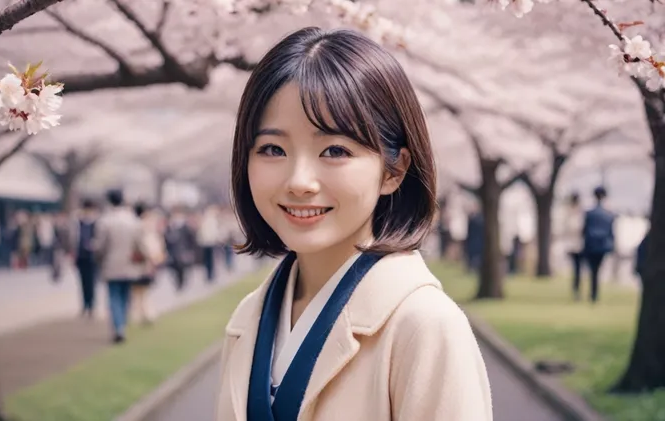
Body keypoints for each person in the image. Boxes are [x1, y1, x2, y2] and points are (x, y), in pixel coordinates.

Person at [215, 27, 492, 421]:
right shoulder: (249, 317)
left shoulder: (424, 325)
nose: (299, 181)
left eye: (335, 150)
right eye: (272, 149)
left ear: (393, 171)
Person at [94, 189, 142, 343]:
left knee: (114, 296)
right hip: (129, 263)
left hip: (111, 264)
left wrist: (98, 258)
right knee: (125, 296)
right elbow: (139, 244)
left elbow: (100, 246)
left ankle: (118, 327)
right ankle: (122, 324)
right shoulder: (133, 220)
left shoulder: (105, 221)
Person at [130, 202, 166, 325]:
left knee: (140, 291)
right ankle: (145, 313)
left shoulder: (138, 226)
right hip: (144, 261)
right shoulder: (144, 227)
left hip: (141, 262)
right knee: (142, 290)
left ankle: (141, 314)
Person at [581, 186, 616, 303]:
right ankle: (595, 294)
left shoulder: (589, 213)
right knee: (597, 270)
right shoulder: (609, 214)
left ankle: (593, 293)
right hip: (602, 246)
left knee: (593, 271)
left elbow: (584, 231)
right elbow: (611, 232)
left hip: (591, 246)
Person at [73, 200, 99, 317]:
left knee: (92, 282)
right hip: (81, 256)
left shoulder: (97, 224)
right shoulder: (79, 223)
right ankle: (85, 304)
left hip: (92, 257)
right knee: (83, 282)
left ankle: (91, 305)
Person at [560, 192, 584, 297]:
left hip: (579, 244)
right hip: (573, 245)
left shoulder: (579, 212)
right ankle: (576, 289)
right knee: (577, 268)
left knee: (578, 268)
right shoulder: (569, 213)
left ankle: (577, 288)